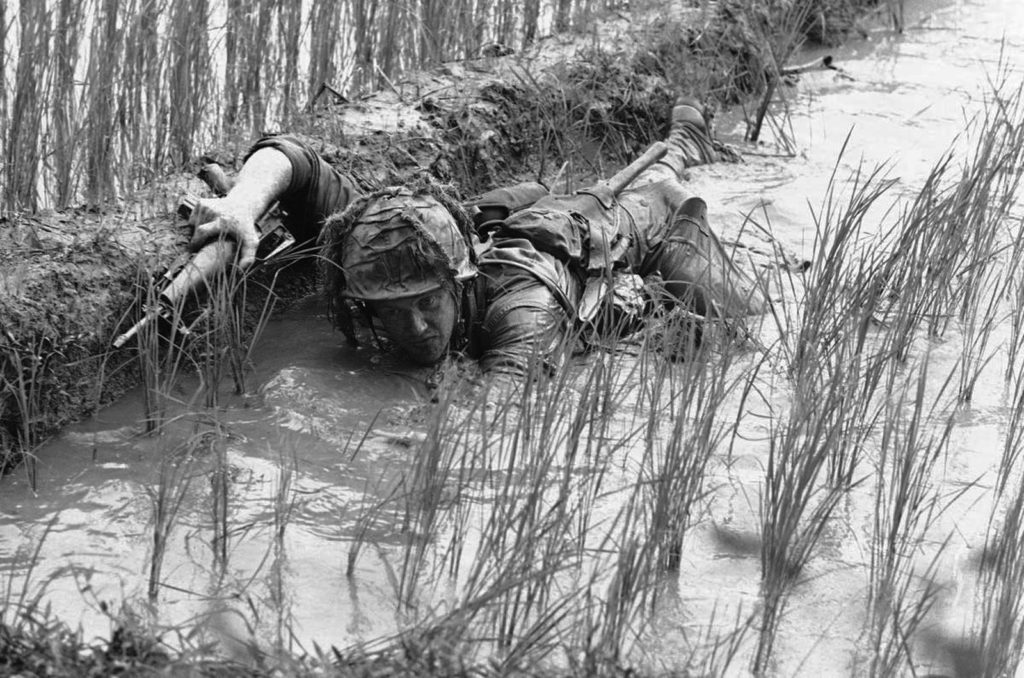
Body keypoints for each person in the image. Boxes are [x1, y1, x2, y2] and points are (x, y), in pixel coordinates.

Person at [188, 98, 766, 375]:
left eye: (427, 304)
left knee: (745, 313)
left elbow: (500, 422)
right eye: (393, 312)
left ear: (458, 281)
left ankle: (687, 143)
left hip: (638, 227)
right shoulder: (372, 232)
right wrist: (240, 206)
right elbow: (291, 158)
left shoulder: (523, 307)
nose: (414, 329)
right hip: (540, 225)